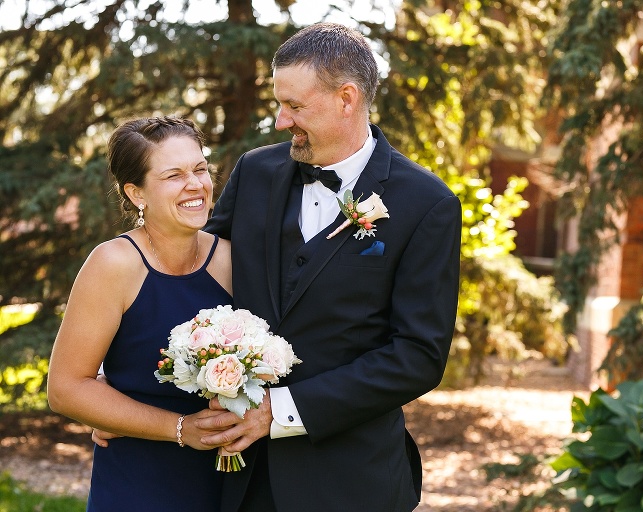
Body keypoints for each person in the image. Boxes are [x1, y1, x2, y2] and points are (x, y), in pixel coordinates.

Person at [199, 22, 462, 512]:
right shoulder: (255, 172)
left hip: (351, 482)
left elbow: (417, 356)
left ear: (347, 98)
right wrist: (117, 384)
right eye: (279, 103)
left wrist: (278, 412)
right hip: (239, 481)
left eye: (295, 106)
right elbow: (194, 276)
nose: (281, 121)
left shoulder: (427, 204)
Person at [47, 116, 233, 511]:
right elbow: (66, 388)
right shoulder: (114, 264)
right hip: (139, 483)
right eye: (173, 175)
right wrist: (181, 429)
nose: (196, 184)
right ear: (136, 193)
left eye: (200, 169)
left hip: (231, 483)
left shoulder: (233, 258)